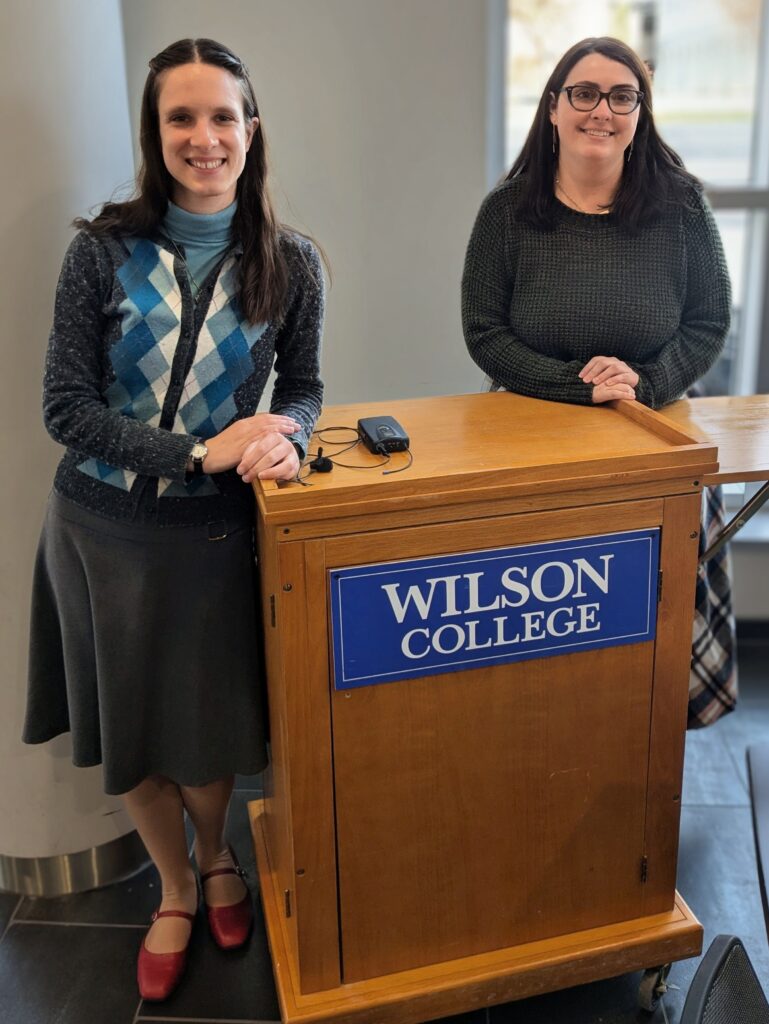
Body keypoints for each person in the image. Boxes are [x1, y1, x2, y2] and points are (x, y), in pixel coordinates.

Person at [23, 38, 324, 1001]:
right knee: (133, 740)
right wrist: (199, 452)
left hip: (210, 542)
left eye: (221, 116)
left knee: (202, 739)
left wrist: (289, 434)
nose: (204, 137)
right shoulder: (101, 252)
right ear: (156, 136)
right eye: (180, 118)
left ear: (252, 128)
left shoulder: (291, 262)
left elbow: (307, 388)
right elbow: (65, 410)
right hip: (97, 533)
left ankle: (216, 850)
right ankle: (178, 883)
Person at [462, 36, 736, 726]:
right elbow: (485, 334)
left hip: (653, 439)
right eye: (583, 93)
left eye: (620, 97)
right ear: (553, 107)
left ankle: (637, 753)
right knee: (549, 623)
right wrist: (576, 386)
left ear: (639, 113)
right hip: (532, 445)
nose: (600, 111)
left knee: (645, 623)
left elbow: (707, 321)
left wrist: (642, 382)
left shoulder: (681, 208)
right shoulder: (506, 213)